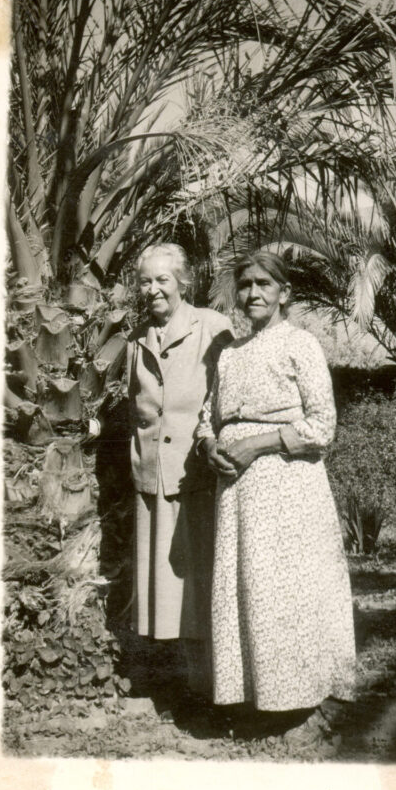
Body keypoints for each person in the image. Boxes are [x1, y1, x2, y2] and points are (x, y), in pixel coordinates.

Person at [196, 251, 356, 729]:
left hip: (288, 486)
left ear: (284, 294)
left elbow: (322, 426)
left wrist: (258, 445)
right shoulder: (227, 353)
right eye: (245, 285)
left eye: (265, 284)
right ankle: (254, 698)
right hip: (237, 491)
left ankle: (300, 702)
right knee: (246, 588)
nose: (254, 294)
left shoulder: (301, 346)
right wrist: (208, 445)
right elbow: (210, 414)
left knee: (286, 590)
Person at [126, 243, 233, 704]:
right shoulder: (135, 339)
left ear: (183, 282)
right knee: (167, 588)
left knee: (200, 581)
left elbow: (231, 396)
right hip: (152, 476)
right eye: (146, 281)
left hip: (197, 476)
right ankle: (187, 685)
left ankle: (212, 686)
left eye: (162, 280)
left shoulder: (212, 326)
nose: (153, 290)